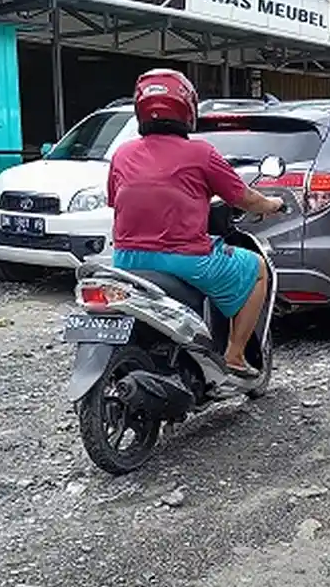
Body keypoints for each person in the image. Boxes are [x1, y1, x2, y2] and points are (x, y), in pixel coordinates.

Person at [107, 69, 285, 378]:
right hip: (185, 261)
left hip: (126, 259)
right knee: (257, 269)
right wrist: (273, 205)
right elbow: (244, 198)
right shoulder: (200, 153)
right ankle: (234, 355)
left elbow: (116, 201)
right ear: (187, 107)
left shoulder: (122, 154)